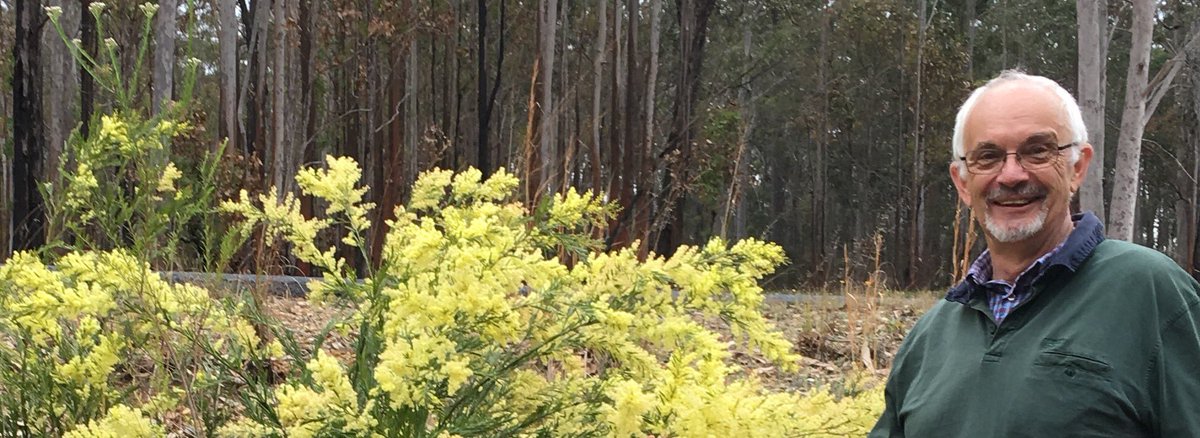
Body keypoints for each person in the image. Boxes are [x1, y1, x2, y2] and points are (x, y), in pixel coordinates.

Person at [869, 70, 1200, 437]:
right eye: (987, 156)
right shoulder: (930, 336)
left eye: (1037, 151)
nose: (1011, 175)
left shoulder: (1150, 293)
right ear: (962, 183)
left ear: (1077, 167)